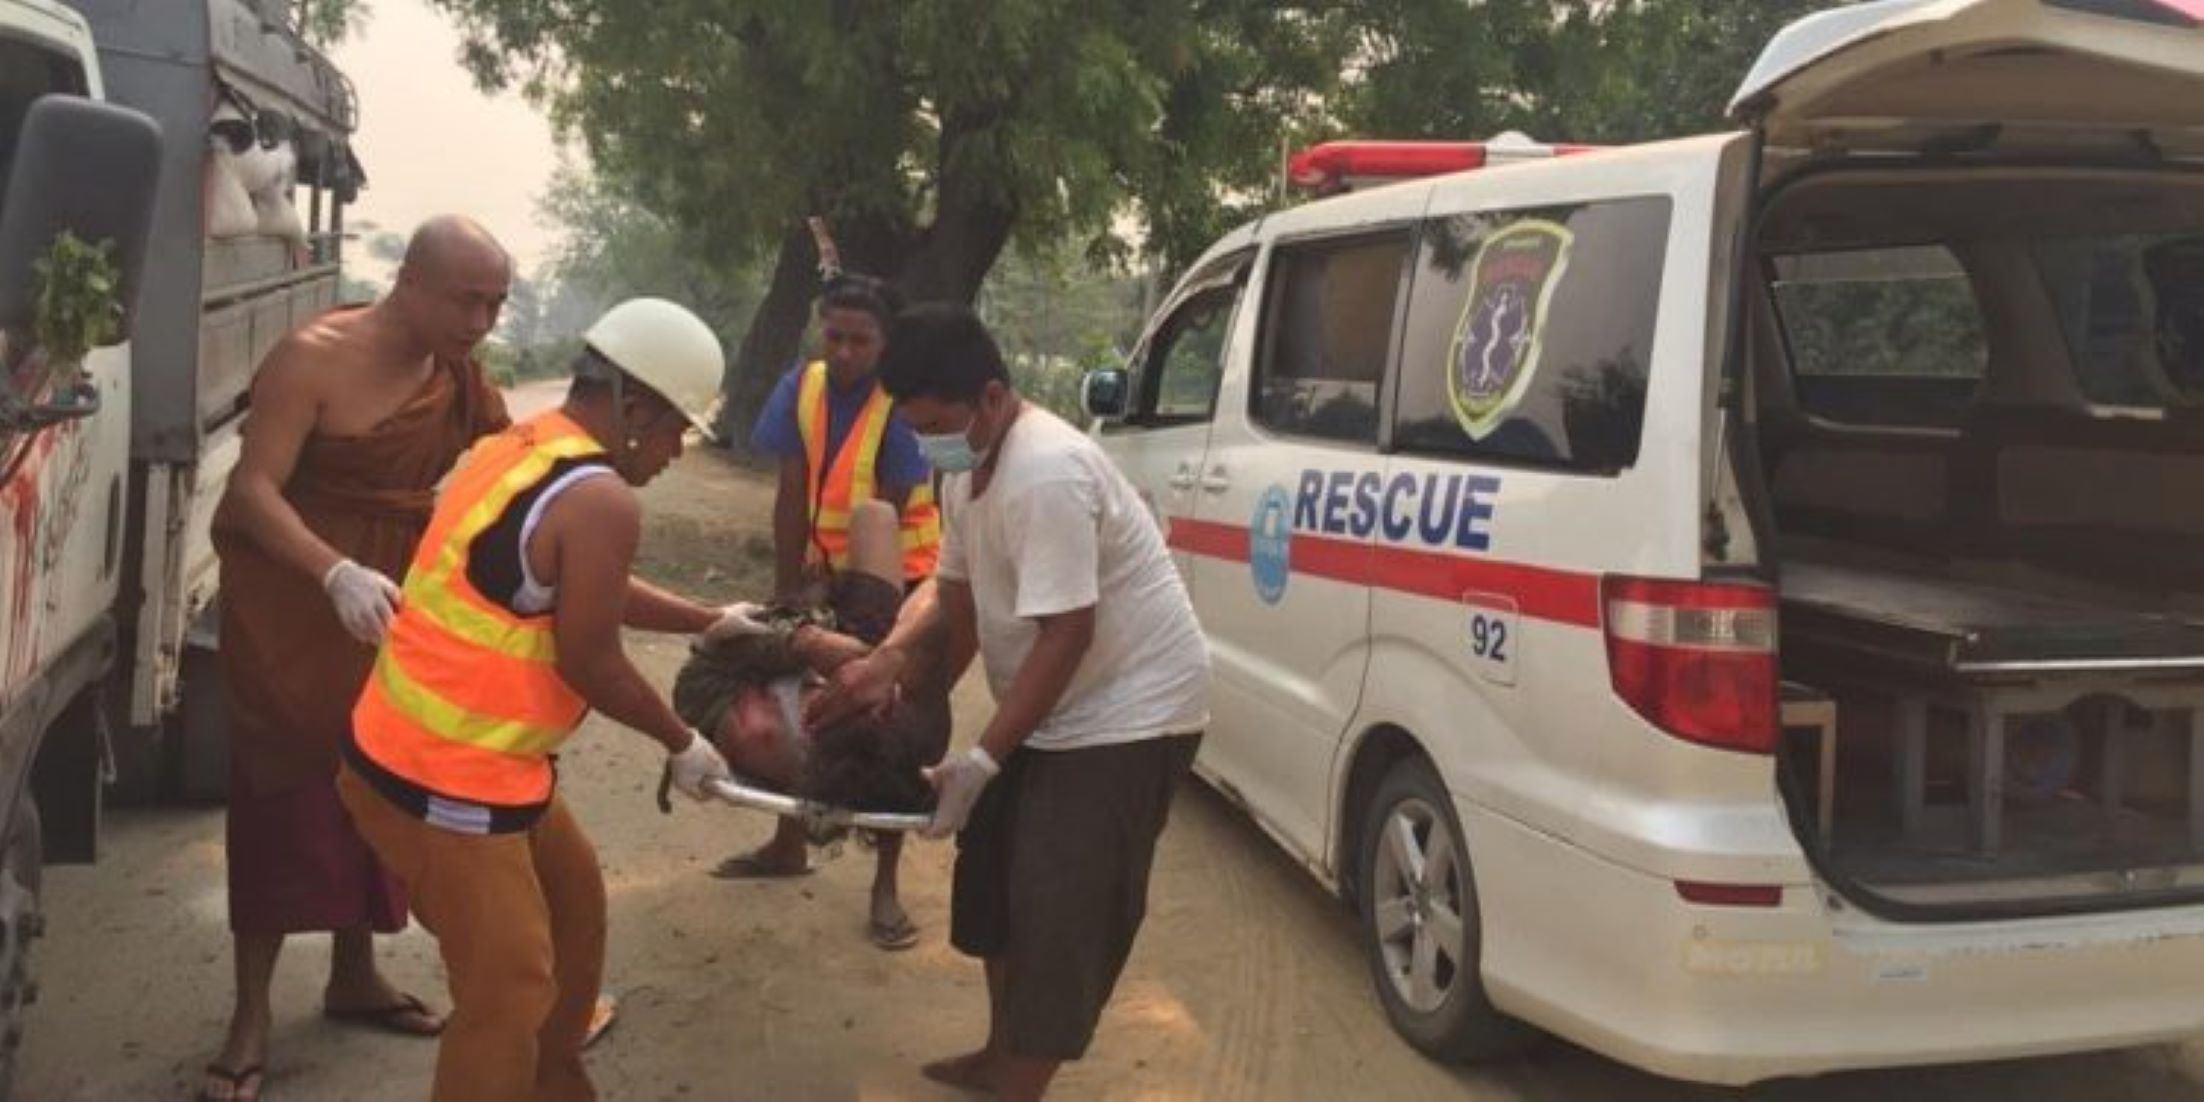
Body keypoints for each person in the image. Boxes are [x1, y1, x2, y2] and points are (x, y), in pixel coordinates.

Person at [336, 298, 744, 1102]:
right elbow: (590, 658)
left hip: (471, 760)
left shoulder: (521, 446)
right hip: (439, 779)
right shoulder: (602, 500)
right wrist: (681, 742)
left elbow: (576, 583)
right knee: (508, 987)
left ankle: (553, 1080)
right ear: (637, 407)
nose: (675, 453)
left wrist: (707, 620)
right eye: (678, 431)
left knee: (575, 907)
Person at [810, 303, 1210, 1101]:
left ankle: (1020, 1083)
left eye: (938, 422)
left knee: (1062, 901)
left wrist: (984, 758)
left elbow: (1066, 634)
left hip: (1129, 711)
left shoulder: (1046, 472)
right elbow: (954, 601)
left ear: (991, 397)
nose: (927, 441)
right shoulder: (966, 470)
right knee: (993, 878)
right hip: (1052, 700)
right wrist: (892, 674)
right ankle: (1002, 1056)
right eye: (915, 426)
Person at [203, 216, 512, 1102]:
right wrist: (333, 571)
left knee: (377, 783)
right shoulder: (313, 357)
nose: (481, 321)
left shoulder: (453, 374)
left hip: (391, 604)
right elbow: (253, 487)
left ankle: (354, 975)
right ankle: (249, 1015)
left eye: (496, 304)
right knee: (283, 788)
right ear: (409, 282)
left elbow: (507, 459)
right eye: (467, 300)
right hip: (293, 598)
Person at [730, 258, 939, 953]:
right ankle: (789, 842)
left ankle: (885, 882)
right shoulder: (805, 385)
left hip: (895, 585)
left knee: (886, 723)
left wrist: (858, 625)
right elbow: (791, 492)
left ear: (887, 345)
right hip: (821, 577)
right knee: (799, 696)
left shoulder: (901, 406)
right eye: (835, 336)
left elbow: (881, 513)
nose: (844, 352)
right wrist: (788, 596)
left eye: (861, 342)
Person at [674, 499, 953, 814]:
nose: (888, 698)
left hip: (777, 664)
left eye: (877, 706)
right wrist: (888, 656)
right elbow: (943, 591)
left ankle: (792, 845)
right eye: (891, 701)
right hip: (863, 648)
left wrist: (803, 640)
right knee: (876, 515)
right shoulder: (921, 727)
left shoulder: (757, 730)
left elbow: (701, 671)